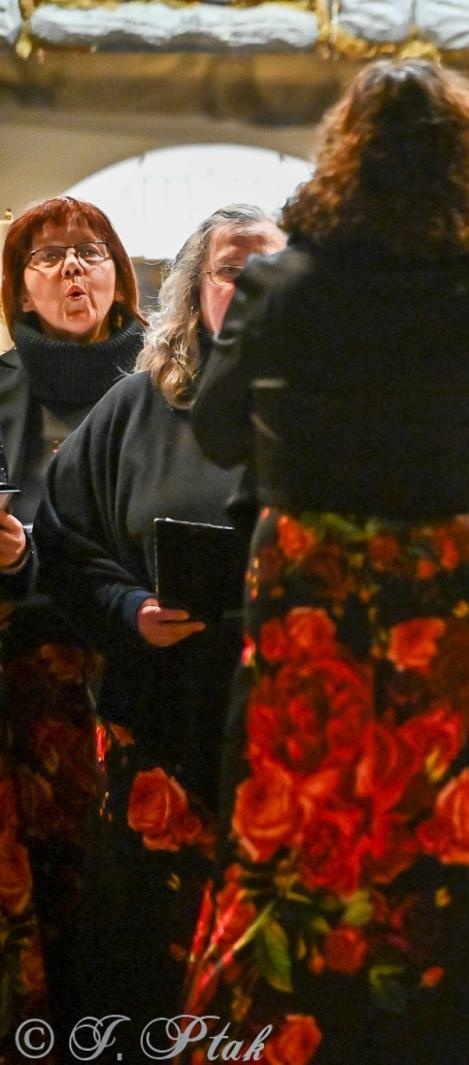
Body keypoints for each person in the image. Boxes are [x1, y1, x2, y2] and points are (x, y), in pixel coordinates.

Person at [181, 59, 469, 1064]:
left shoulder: (282, 282)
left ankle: (278, 1034)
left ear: (344, 159)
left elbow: (210, 430)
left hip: (307, 582)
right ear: (462, 171)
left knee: (295, 819)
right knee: (440, 829)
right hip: (434, 581)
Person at [33, 205, 285, 1029]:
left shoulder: (331, 414)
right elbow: (64, 544)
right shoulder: (138, 407)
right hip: (158, 719)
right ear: (193, 290)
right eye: (229, 271)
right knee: (145, 966)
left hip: (290, 727)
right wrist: (129, 608)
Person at [0, 195, 145, 1034]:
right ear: (21, 292)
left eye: (89, 252)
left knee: (123, 874)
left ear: (118, 276)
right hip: (28, 663)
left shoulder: (163, 380)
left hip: (136, 648)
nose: (71, 269)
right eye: (48, 257)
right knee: (49, 879)